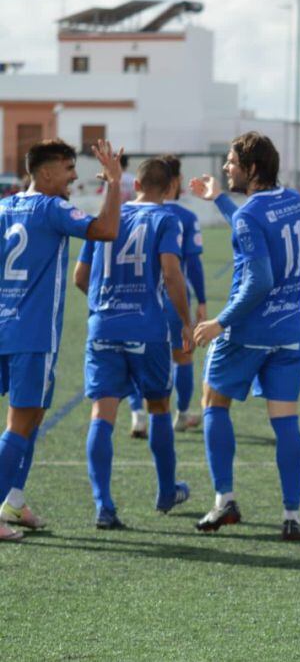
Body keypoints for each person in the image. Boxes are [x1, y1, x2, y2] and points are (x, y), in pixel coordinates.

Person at [188, 132, 300, 541]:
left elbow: (259, 279)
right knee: (286, 421)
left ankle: (225, 500)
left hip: (248, 332)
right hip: (290, 330)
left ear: (252, 169)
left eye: (231, 163)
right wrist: (219, 198)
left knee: (212, 402)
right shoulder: (294, 200)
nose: (226, 168)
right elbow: (256, 225)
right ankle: (292, 515)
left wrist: (220, 322)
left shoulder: (248, 216)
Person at [0, 139, 123, 541]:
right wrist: (115, 183)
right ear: (47, 173)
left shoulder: (5, 207)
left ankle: (14, 502)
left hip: (5, 327)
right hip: (32, 334)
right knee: (21, 425)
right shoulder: (51, 208)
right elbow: (105, 229)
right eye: (69, 170)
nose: (73, 178)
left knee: (30, 418)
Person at [74, 158, 195, 529]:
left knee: (102, 414)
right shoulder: (166, 219)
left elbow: (81, 277)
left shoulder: (109, 214)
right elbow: (172, 274)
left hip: (103, 328)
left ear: (137, 183)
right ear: (171, 186)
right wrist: (186, 321)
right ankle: (165, 492)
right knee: (159, 405)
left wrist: (104, 306)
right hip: (147, 329)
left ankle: (104, 506)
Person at [127, 155, 207, 437]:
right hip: (173, 299)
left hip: (138, 299)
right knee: (183, 356)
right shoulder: (183, 217)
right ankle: (181, 414)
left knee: (136, 357)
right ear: (175, 182)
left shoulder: (127, 212)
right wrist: (202, 302)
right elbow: (192, 265)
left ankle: (137, 414)